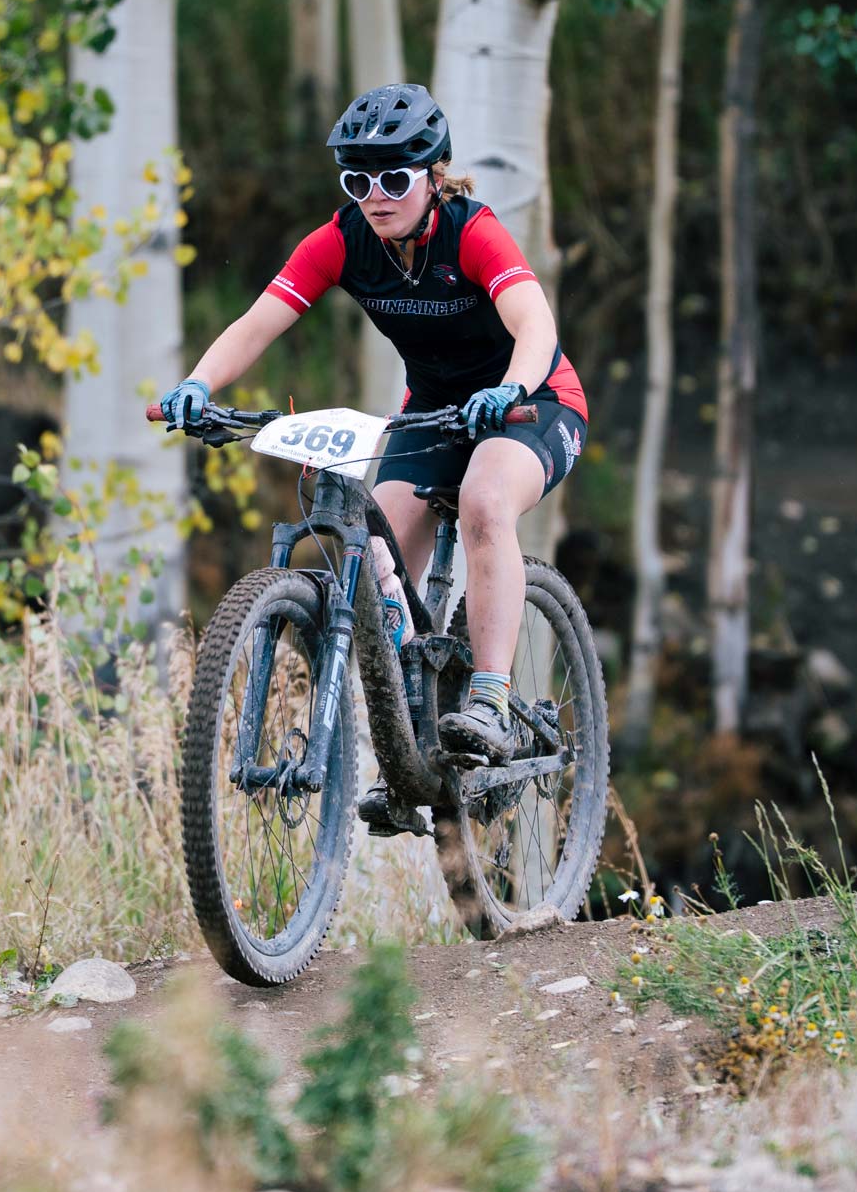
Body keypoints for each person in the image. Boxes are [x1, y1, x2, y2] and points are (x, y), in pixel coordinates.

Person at [159, 83, 588, 834]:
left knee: (486, 500)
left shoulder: (471, 232)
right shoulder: (343, 239)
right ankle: (408, 747)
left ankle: (487, 697)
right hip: (433, 411)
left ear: (433, 173)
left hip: (532, 402)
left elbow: (534, 324)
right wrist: (198, 383)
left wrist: (512, 387)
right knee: (373, 556)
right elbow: (260, 320)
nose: (376, 196)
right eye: (358, 180)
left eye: (394, 178)